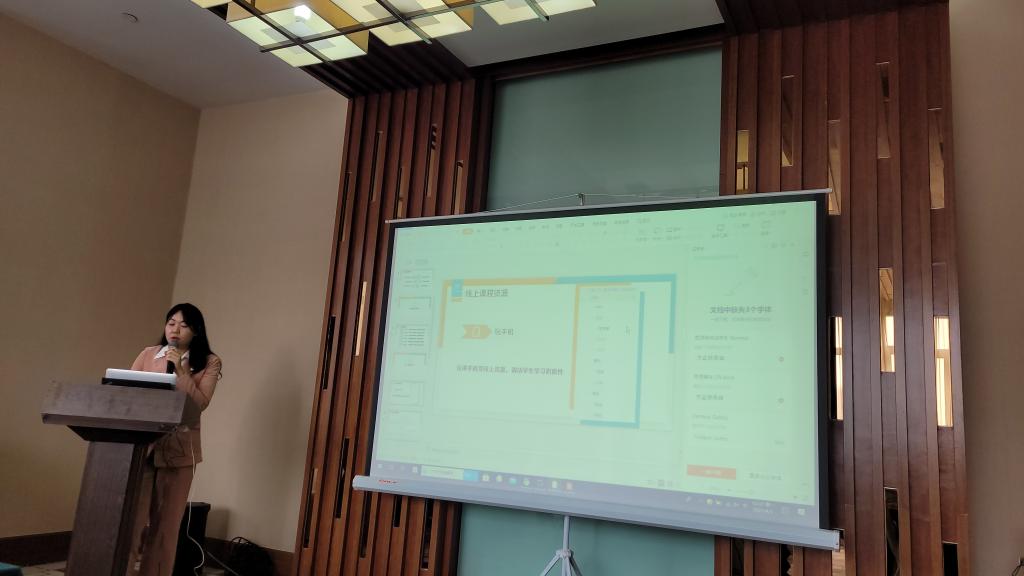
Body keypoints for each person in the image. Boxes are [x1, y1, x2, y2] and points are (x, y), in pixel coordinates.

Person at [128, 303, 222, 576]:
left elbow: (199, 404)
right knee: (131, 523)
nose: (175, 330)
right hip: (143, 446)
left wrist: (181, 370)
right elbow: (127, 392)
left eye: (183, 325)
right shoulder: (148, 354)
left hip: (179, 452)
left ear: (196, 331)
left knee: (164, 530)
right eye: (171, 323)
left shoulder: (209, 362)